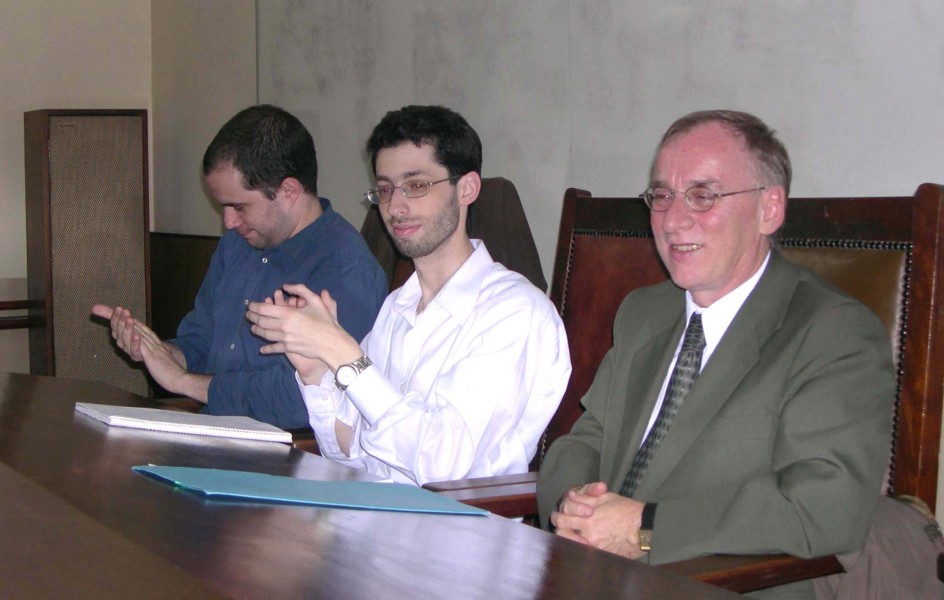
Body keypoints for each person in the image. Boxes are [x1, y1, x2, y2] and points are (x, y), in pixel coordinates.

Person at [537, 110, 893, 599]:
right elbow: (584, 442)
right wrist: (574, 509)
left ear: (769, 209)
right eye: (661, 196)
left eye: (703, 195)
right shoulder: (645, 311)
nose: (673, 219)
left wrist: (644, 530)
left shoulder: (832, 333)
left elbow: (823, 507)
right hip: (598, 578)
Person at [246, 105, 571, 485]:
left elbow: (442, 469)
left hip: (459, 535)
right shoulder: (397, 306)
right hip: (372, 522)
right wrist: (316, 371)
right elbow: (350, 453)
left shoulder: (516, 312)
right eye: (384, 190)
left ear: (466, 188)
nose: (395, 207)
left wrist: (341, 352)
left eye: (416, 186)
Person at [92, 104, 387, 429]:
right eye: (223, 206)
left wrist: (183, 383)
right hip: (215, 435)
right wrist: (157, 352)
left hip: (288, 454)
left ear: (288, 191)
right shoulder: (239, 243)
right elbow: (200, 342)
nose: (228, 222)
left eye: (239, 206)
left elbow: (301, 401)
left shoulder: (345, 266)